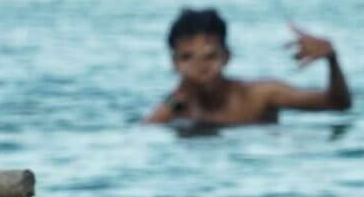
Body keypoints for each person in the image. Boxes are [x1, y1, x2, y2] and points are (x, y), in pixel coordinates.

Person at [143, 7, 352, 126]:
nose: (200, 67)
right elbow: (144, 133)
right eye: (188, 58)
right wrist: (174, 101)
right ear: (175, 64)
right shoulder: (175, 108)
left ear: (227, 57)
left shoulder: (260, 96)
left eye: (210, 57)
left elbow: (337, 104)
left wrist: (332, 61)